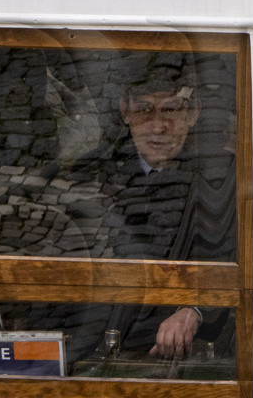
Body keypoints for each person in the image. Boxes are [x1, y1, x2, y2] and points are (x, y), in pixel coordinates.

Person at [89, 57, 236, 363]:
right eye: (144, 110)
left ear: (192, 113)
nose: (158, 126)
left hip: (181, 357)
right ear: (125, 111)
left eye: (170, 110)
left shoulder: (225, 178)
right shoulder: (94, 173)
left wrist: (194, 310)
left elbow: (233, 262)